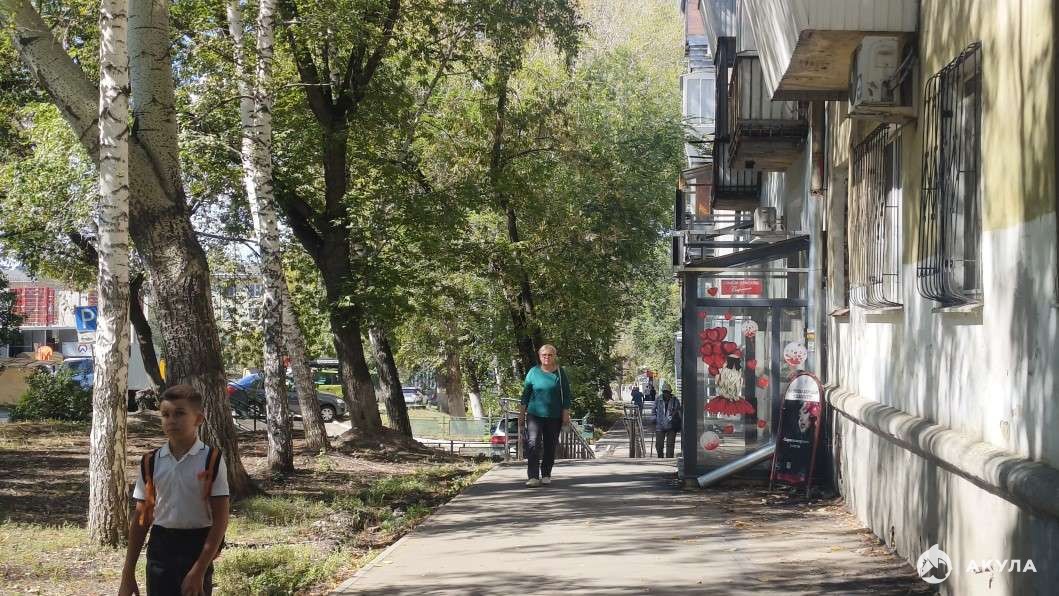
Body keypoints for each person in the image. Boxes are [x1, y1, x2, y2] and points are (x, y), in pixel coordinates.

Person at [119, 384, 230, 596]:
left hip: (197, 548)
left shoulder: (212, 459)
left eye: (179, 413)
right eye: (165, 414)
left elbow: (221, 520)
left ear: (198, 419)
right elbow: (142, 519)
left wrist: (199, 570)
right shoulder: (151, 461)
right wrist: (128, 573)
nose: (171, 420)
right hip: (161, 548)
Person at [519, 344, 572, 488]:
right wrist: (521, 415)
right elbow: (525, 395)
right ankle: (533, 476)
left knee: (550, 445)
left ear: (554, 356)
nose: (547, 357)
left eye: (550, 355)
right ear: (539, 356)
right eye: (544, 355)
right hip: (534, 414)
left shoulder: (560, 372)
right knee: (533, 443)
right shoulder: (533, 372)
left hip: (554, 416)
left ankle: (546, 474)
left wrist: (565, 414)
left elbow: (566, 395)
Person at [653, 388, 681, 458]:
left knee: (670, 444)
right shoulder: (658, 399)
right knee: (659, 444)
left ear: (670, 392)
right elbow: (653, 409)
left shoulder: (675, 400)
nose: (666, 394)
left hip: (671, 425)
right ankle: (660, 457)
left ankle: (669, 458)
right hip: (660, 425)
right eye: (664, 392)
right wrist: (654, 418)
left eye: (667, 392)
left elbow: (679, 411)